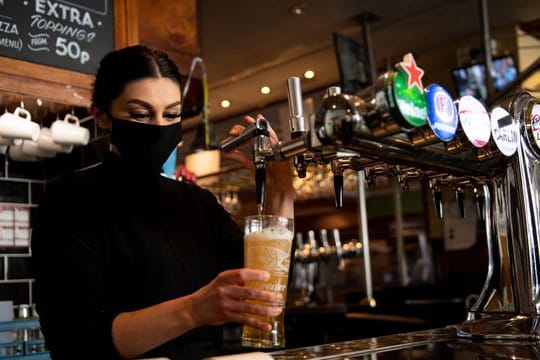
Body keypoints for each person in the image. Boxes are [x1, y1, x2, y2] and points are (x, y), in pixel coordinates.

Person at [31, 45, 294, 360]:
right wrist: (194, 310)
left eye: (171, 114)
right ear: (102, 115)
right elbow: (77, 339)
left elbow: (263, 292)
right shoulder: (70, 199)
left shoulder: (198, 203)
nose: (158, 127)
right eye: (141, 114)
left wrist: (281, 188)